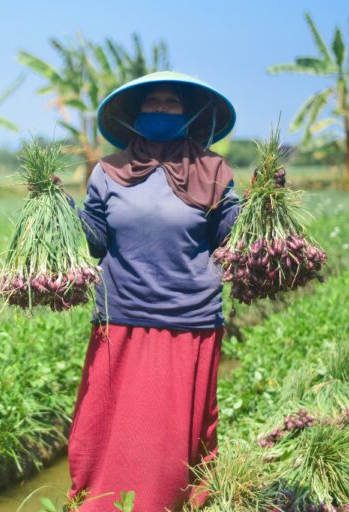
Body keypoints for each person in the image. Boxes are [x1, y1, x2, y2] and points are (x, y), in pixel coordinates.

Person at [64, 71, 241, 511]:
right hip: (122, 314)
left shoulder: (213, 170)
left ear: (188, 113)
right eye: (152, 102)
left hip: (189, 317)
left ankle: (168, 502)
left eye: (171, 102)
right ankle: (101, 501)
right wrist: (63, 212)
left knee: (171, 434)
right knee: (110, 423)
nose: (161, 108)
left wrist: (262, 206)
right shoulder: (109, 171)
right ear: (136, 112)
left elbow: (228, 235)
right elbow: (96, 240)